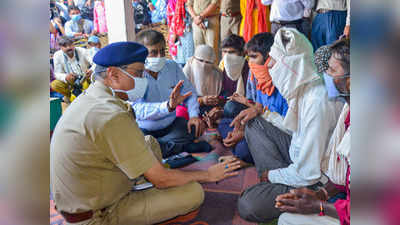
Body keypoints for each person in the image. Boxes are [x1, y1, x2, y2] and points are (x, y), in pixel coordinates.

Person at [50, 41, 241, 225]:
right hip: (97, 214)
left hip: (88, 192)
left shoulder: (95, 96)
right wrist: (208, 175)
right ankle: (145, 181)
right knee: (193, 192)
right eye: (138, 73)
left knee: (150, 142)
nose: (143, 79)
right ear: (113, 74)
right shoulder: (110, 115)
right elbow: (162, 179)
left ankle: (146, 177)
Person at [237, 28, 344, 223]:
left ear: (291, 65)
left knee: (248, 204)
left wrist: (271, 174)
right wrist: (261, 112)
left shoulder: (317, 100)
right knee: (254, 124)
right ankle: (278, 186)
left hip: (315, 178)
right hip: (298, 158)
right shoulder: (304, 89)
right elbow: (292, 128)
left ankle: (279, 188)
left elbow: (308, 173)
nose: (269, 67)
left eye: (274, 62)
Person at [276, 38, 350, 225]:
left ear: (350, 82)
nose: (325, 74)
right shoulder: (350, 111)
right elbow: (346, 174)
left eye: (332, 71)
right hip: (340, 196)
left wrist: (319, 206)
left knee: (283, 218)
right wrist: (322, 194)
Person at [133, 30, 210, 158]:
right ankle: (180, 147)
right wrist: (167, 107)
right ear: (141, 54)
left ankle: (160, 148)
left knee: (190, 128)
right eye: (153, 52)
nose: (159, 57)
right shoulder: (135, 74)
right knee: (136, 143)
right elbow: (136, 110)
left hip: (171, 125)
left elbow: (189, 93)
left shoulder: (172, 67)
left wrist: (193, 116)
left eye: (162, 51)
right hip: (145, 129)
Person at [218, 32, 288, 167]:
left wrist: (245, 132)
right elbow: (258, 107)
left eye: (254, 57)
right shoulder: (260, 80)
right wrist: (240, 129)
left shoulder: (285, 84)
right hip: (261, 128)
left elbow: (288, 128)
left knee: (243, 149)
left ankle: (247, 155)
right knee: (226, 124)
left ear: (269, 57)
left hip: (281, 136)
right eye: (249, 58)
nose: (250, 63)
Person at [183, 45, 224, 115]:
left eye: (208, 62)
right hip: (191, 106)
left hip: (211, 107)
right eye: (200, 60)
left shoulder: (217, 74)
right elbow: (181, 99)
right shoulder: (187, 72)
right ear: (194, 58)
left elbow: (223, 96)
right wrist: (201, 100)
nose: (203, 65)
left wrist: (217, 100)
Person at [51, 36, 94, 102]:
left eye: (70, 45)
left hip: (84, 78)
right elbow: (57, 73)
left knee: (93, 77)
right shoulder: (57, 55)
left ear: (74, 44)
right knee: (54, 84)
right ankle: (71, 95)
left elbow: (95, 63)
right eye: (65, 46)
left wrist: (91, 70)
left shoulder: (82, 51)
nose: (69, 48)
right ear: (61, 47)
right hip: (70, 80)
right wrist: (65, 77)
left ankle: (77, 96)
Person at [167, 0, 194, 68]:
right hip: (180, 32)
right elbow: (171, 21)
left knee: (190, 58)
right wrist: (174, 33)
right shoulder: (173, 3)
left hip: (190, 31)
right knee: (182, 60)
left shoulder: (187, 3)